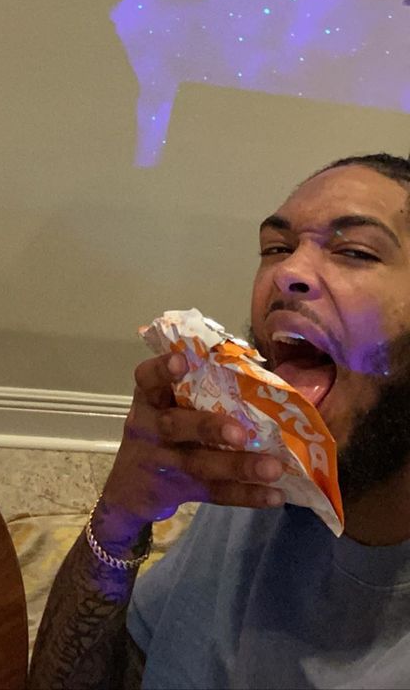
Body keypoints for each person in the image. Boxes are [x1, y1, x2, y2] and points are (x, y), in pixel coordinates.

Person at [28, 153, 410, 689]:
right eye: (276, 248)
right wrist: (118, 520)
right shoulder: (256, 481)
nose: (288, 272)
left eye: (355, 251)